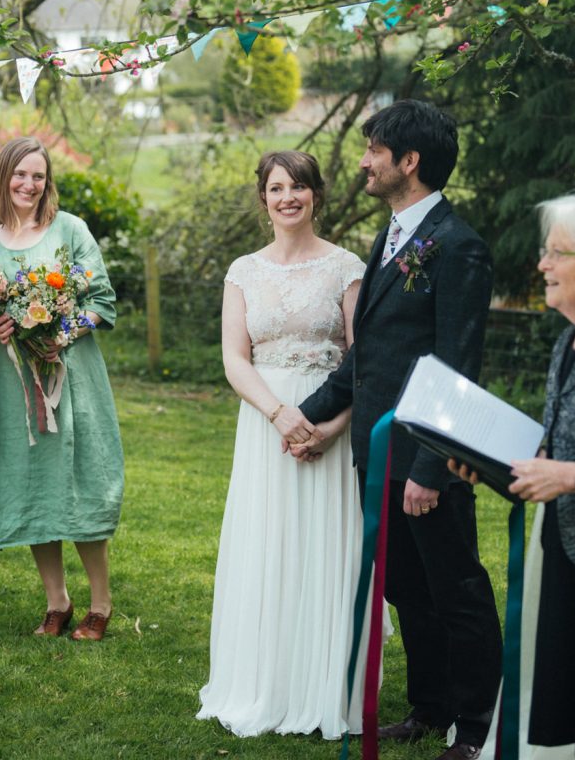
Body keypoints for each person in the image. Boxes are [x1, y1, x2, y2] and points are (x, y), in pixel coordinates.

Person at [279, 100, 503, 760]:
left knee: (454, 587)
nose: (363, 159)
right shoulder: (393, 237)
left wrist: (431, 468)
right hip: (374, 456)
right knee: (404, 588)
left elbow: (456, 366)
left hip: (425, 458)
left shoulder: (458, 247)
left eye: (374, 148)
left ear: (408, 161)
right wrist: (306, 412)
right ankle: (429, 706)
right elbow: (371, 356)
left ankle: (475, 724)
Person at [197, 149, 382, 739]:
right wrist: (279, 415)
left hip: (332, 422)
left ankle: (326, 684)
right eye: (277, 189)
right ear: (263, 199)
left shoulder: (347, 268)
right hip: (265, 424)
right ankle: (263, 680)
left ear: (316, 195)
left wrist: (331, 426)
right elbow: (233, 357)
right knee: (267, 542)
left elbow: (362, 358)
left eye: (298, 187)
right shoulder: (243, 270)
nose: (288, 198)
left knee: (325, 546)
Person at [452, 190, 575, 760]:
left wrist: (572, 478)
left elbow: (570, 467)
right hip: (569, 556)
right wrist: (489, 467)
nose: (542, 266)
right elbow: (556, 452)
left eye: (558, 254)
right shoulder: (569, 341)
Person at [0, 137, 124, 641]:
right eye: (20, 174)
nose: (30, 184)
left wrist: (61, 335)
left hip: (67, 379)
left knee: (80, 481)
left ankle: (101, 603)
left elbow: (102, 300)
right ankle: (57, 602)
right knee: (31, 483)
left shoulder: (70, 230)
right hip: (6, 385)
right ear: (3, 175)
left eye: (39, 176)